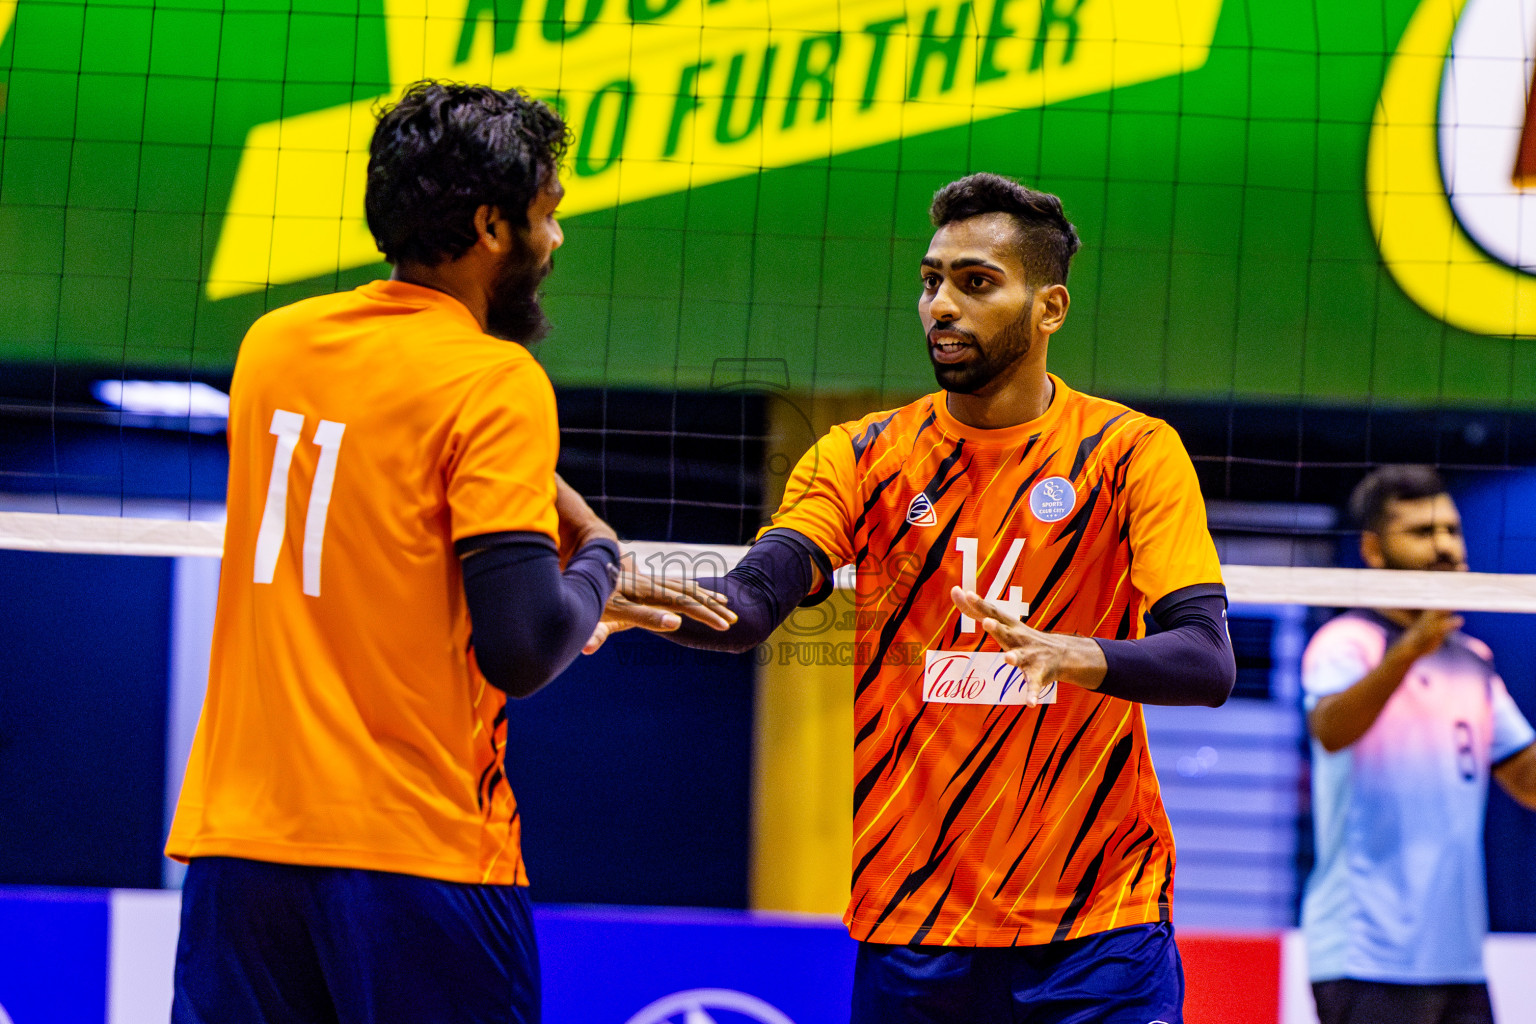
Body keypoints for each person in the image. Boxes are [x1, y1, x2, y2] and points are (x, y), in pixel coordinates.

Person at [594, 172, 1237, 1023]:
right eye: (932, 280)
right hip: (918, 922)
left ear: (1050, 308)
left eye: (976, 283)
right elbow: (752, 604)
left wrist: (1075, 654)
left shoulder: (1131, 453)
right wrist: (628, 587)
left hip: (1099, 921)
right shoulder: (862, 455)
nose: (941, 305)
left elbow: (1205, 658)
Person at [165, 81, 729, 1024]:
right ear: (489, 225)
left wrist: (569, 558)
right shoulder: (497, 380)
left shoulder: (274, 348)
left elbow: (401, 480)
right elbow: (521, 648)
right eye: (547, 214)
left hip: (244, 857)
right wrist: (595, 564)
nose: (556, 239)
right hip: (416, 857)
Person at [1300, 465, 1536, 1024]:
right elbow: (1331, 730)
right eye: (1423, 533)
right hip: (1366, 956)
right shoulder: (1345, 642)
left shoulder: (1471, 662)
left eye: (1452, 531)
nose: (1446, 548)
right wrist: (1413, 647)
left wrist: (1433, 642)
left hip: (1459, 962)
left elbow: (1527, 780)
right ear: (1375, 551)